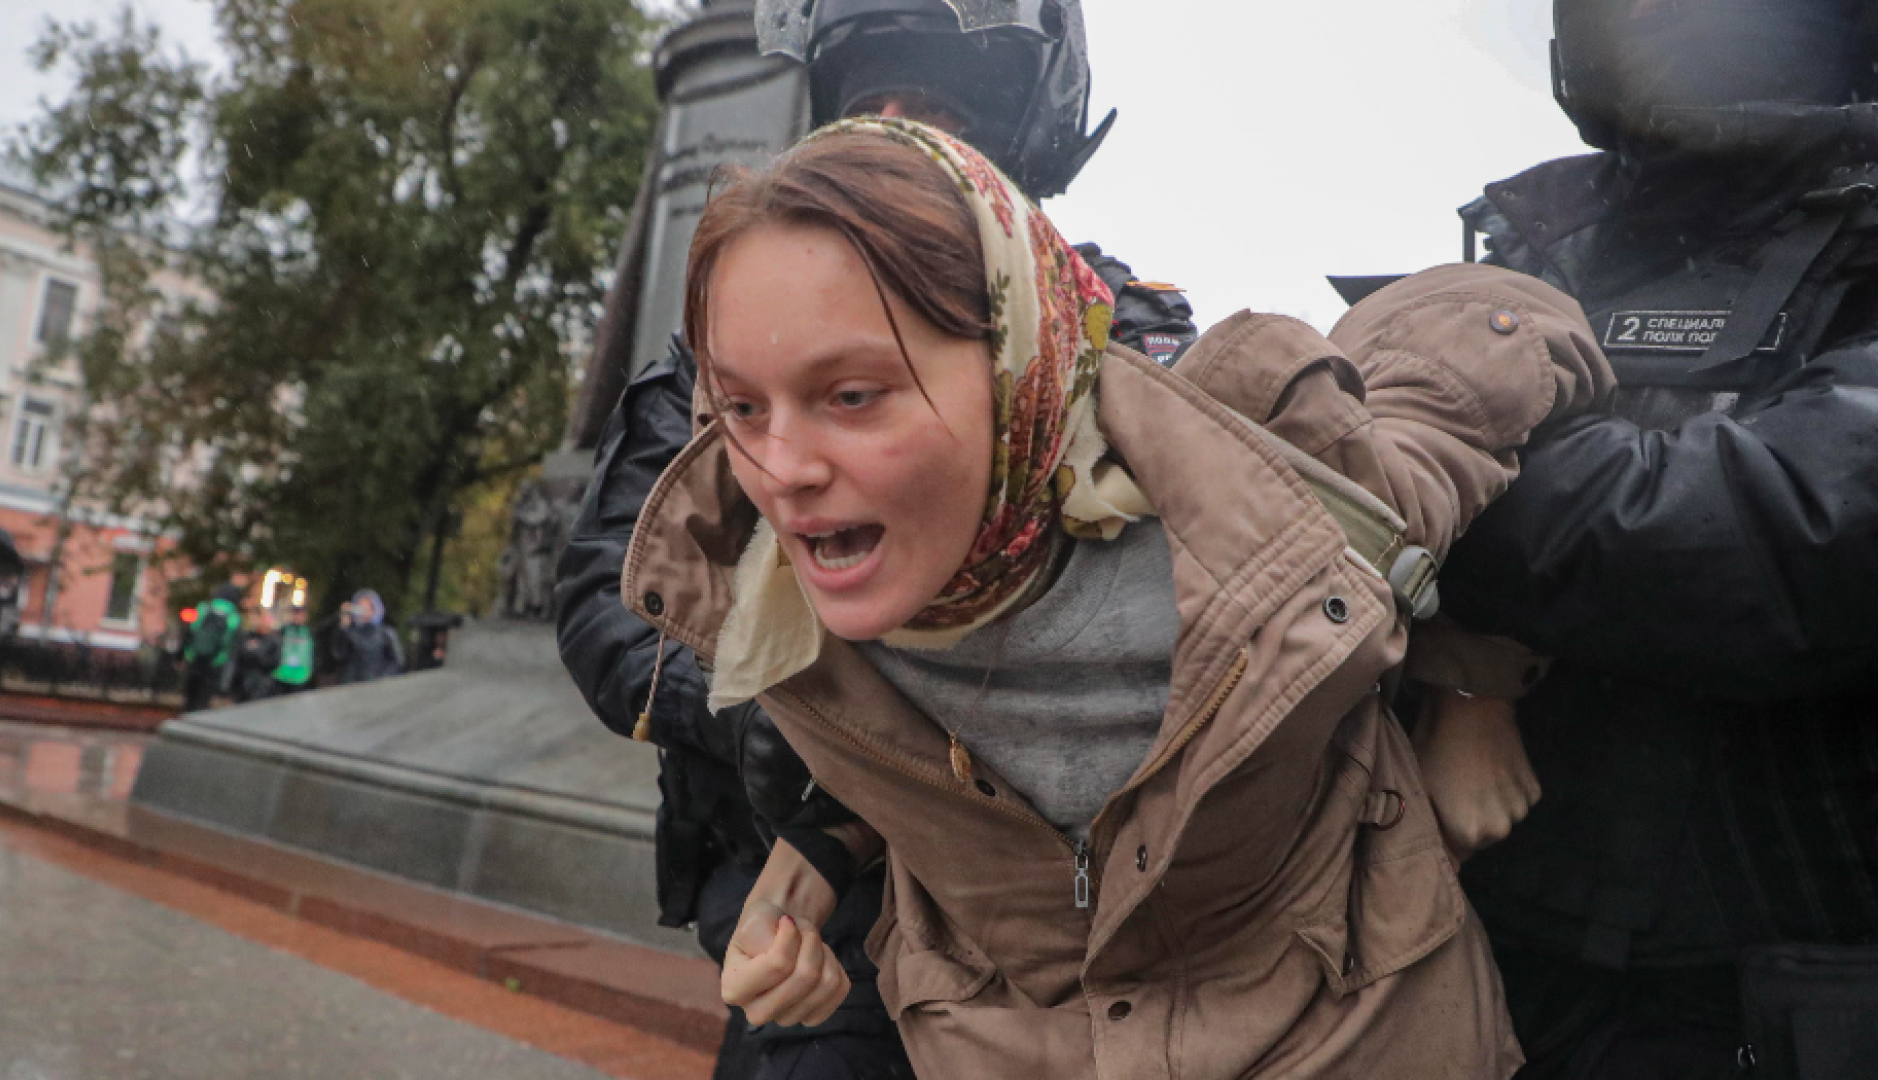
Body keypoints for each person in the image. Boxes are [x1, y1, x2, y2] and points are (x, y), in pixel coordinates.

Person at [620, 118, 1612, 1079]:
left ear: (1015, 361)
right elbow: (937, 756)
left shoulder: (1259, 490)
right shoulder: (771, 589)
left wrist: (1476, 681)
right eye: (742, 405)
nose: (781, 468)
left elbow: (1491, 326)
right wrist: (811, 859)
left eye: (852, 396)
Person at [556, 4, 1194, 1077]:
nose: (893, 133)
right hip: (816, 922)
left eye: (937, 111)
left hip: (1062, 909)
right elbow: (610, 594)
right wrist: (762, 717)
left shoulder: (1119, 321)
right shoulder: (731, 338)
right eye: (871, 106)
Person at [1404, 1, 1878, 1075]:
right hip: (1502, 949)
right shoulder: (1541, 235)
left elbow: (1783, 536)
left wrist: (1436, 478)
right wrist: (1463, 681)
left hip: (1803, 975)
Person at [182, 583, 242, 713]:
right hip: (215, 662)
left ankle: (186, 715)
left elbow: (191, 630)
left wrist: (188, 653)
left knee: (191, 692)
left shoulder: (204, 607)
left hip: (196, 657)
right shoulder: (233, 615)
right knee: (205, 695)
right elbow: (230, 641)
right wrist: (221, 659)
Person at [331, 589, 404, 685]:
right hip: (353, 685)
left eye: (367, 607)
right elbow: (339, 656)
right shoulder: (350, 633)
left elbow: (397, 661)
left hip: (379, 685)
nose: (364, 610)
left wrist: (382, 679)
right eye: (360, 607)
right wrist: (343, 627)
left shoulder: (386, 633)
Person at [228, 608, 283, 703]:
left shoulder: (274, 639)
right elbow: (236, 660)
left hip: (263, 686)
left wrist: (256, 652)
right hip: (243, 685)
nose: (253, 621)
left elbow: (274, 662)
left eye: (255, 618)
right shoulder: (246, 637)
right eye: (251, 618)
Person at [272, 605, 316, 693]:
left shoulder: (310, 631)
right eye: (296, 614)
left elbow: (315, 652)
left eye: (300, 614)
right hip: (284, 674)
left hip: (302, 675)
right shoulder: (284, 630)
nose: (298, 617)